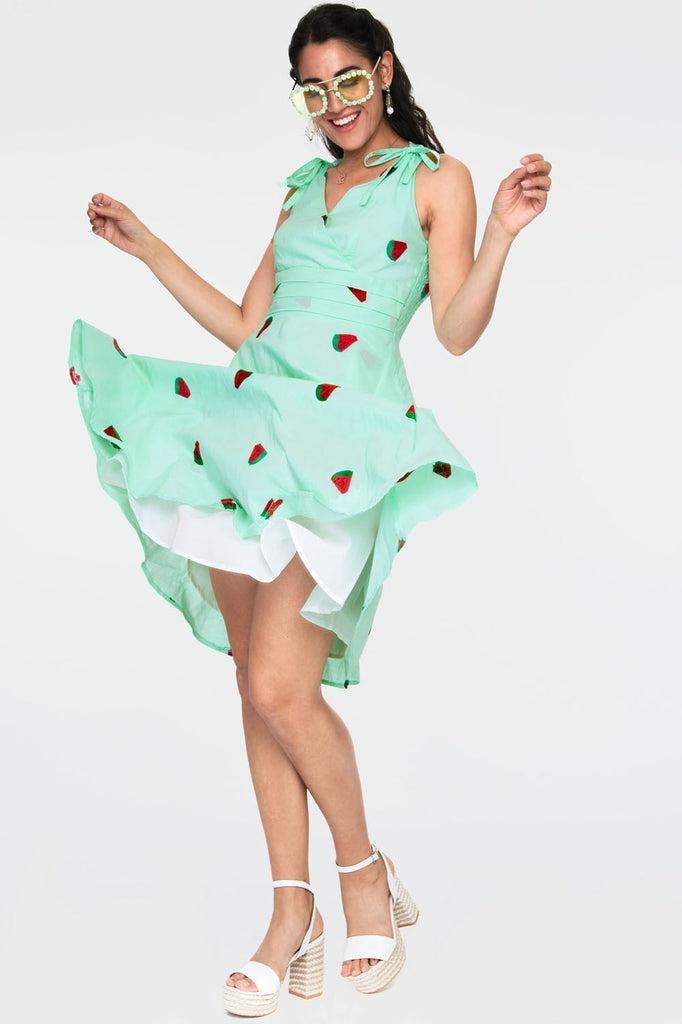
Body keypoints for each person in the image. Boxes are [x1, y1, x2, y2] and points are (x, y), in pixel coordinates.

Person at [68, 2, 551, 1014]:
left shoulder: (436, 179)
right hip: (248, 428)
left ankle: (363, 874)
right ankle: (292, 914)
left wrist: (502, 238)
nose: (335, 104)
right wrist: (150, 248)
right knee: (254, 683)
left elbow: (455, 329)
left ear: (385, 72)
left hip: (339, 446)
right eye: (313, 89)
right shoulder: (298, 191)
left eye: (350, 80)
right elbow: (249, 325)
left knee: (283, 686)